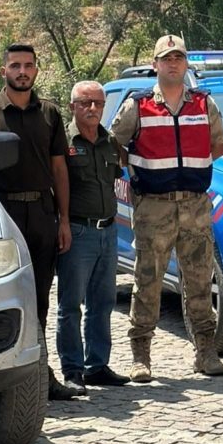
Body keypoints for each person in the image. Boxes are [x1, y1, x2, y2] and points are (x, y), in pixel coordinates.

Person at [0, 42, 82, 400]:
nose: (22, 71)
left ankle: (40, 376)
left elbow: (59, 168)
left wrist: (63, 219)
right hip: (3, 217)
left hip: (42, 215)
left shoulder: (49, 114)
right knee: (0, 298)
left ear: (36, 70)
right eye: (15, 65)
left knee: (41, 298)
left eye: (28, 65)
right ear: (3, 71)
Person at [110, 34, 223, 382]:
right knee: (147, 281)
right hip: (154, 208)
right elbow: (115, 146)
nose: (173, 63)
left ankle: (205, 353)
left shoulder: (204, 105)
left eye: (178, 57)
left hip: (194, 205)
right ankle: (141, 356)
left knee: (199, 282)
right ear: (156, 64)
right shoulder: (138, 104)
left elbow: (218, 147)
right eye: (167, 58)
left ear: (186, 63)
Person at [55, 81, 131, 391]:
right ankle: (72, 370)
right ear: (72, 106)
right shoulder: (62, 142)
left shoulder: (109, 141)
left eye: (98, 103)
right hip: (77, 231)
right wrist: (61, 224)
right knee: (71, 304)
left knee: (103, 303)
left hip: (107, 231)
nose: (93, 109)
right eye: (85, 103)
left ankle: (97, 364)